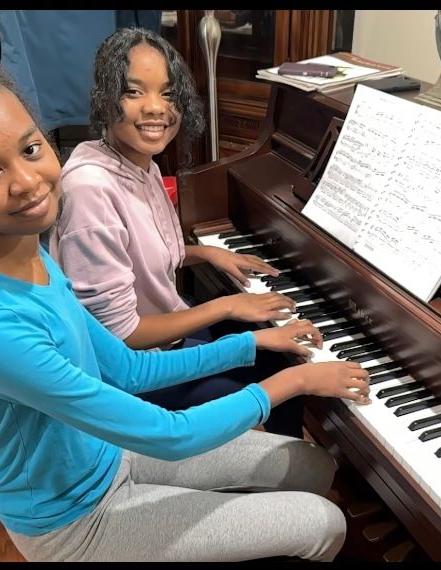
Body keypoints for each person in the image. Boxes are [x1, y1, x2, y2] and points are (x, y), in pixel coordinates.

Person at [0, 58, 371, 562]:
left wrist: (250, 342)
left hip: (106, 454)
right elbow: (171, 436)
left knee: (311, 467)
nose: (28, 182)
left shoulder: (27, 251)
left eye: (31, 149)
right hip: (73, 520)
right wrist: (292, 382)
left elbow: (125, 368)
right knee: (322, 523)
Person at [49, 27, 305, 436]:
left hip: (166, 334)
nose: (156, 108)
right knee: (280, 388)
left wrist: (205, 254)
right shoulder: (89, 187)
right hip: (134, 378)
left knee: (279, 352)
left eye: (167, 94)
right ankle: (269, 483)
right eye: (134, 92)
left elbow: (136, 249)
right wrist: (227, 306)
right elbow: (124, 336)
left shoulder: (138, 161)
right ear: (106, 97)